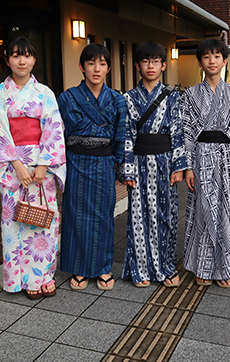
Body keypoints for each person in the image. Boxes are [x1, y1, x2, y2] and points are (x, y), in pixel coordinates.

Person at [0, 37, 66, 299]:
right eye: (16, 56)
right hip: (12, 167)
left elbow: (54, 128)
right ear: (7, 60)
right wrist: (17, 164)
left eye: (28, 55)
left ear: (34, 60)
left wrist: (43, 164)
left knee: (44, 222)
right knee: (14, 223)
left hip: (42, 167)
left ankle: (43, 276)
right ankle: (18, 278)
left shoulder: (44, 93)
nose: (22, 61)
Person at [182, 39, 230, 288]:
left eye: (216, 56)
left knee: (225, 211)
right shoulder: (190, 95)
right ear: (200, 61)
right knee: (203, 211)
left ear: (225, 61)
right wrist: (189, 166)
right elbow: (186, 133)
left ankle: (224, 268)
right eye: (206, 56)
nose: (212, 61)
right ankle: (202, 266)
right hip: (201, 154)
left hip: (227, 157)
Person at [58, 43, 127, 291]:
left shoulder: (117, 100)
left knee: (103, 216)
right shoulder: (66, 98)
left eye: (101, 63)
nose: (96, 69)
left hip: (104, 163)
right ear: (81, 67)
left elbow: (121, 136)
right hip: (76, 162)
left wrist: (120, 167)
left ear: (108, 68)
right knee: (76, 215)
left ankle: (102, 267)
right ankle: (79, 267)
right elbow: (58, 135)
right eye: (90, 63)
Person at [118, 41, 187, 288]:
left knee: (166, 215)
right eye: (146, 61)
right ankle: (140, 269)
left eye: (155, 61)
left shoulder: (172, 97)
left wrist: (179, 166)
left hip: (165, 162)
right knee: (138, 215)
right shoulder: (128, 98)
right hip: (138, 161)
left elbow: (178, 131)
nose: (151, 65)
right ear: (137, 65)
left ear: (163, 65)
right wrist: (126, 169)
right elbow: (125, 135)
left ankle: (166, 267)